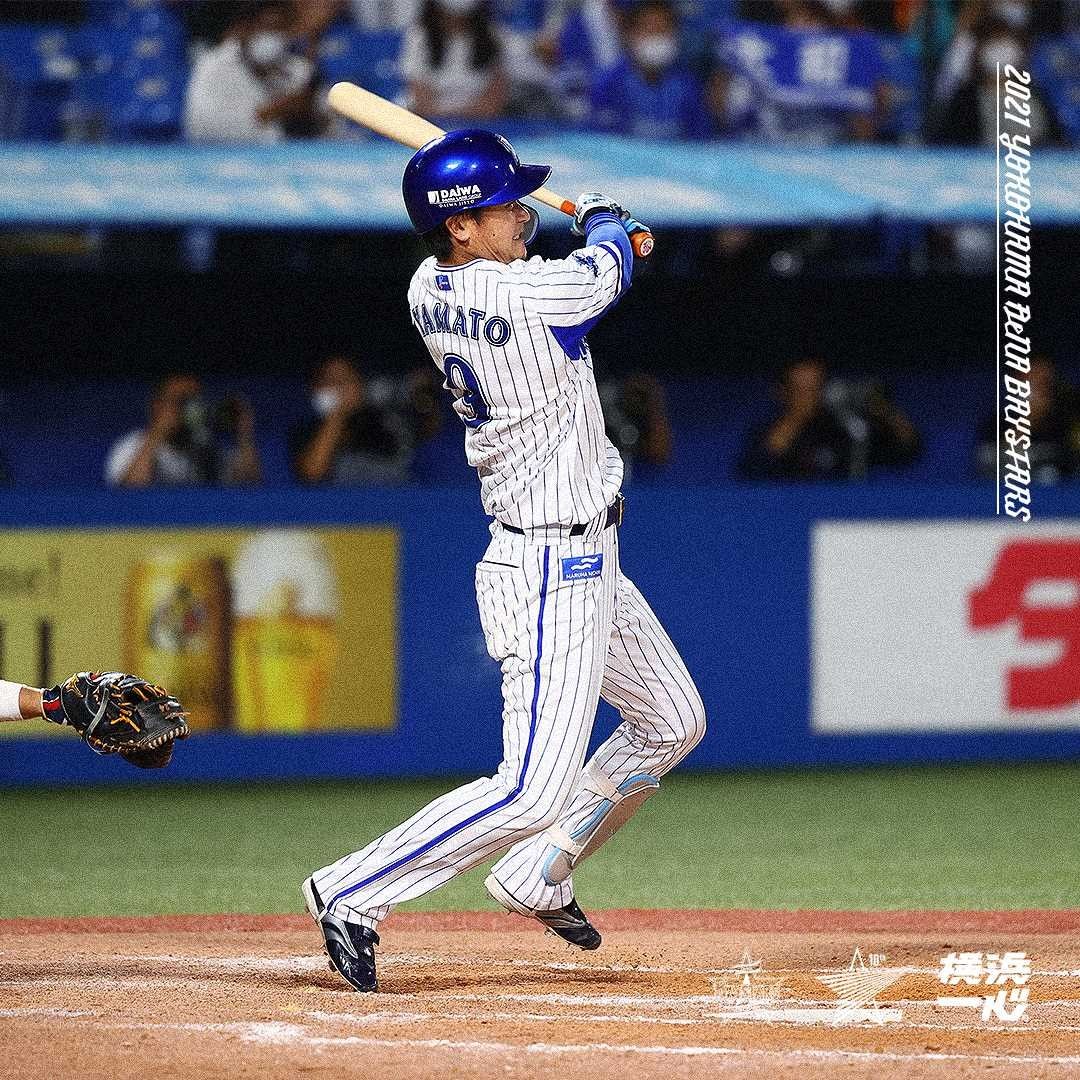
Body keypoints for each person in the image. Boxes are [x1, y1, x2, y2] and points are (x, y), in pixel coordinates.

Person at [301, 129, 706, 992]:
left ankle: (536, 872)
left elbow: (591, 267)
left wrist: (604, 233)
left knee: (671, 720)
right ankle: (349, 890)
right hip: (549, 564)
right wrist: (606, 220)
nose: (522, 214)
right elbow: (608, 268)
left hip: (587, 552)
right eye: (504, 205)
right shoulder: (527, 296)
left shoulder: (428, 285)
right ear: (458, 227)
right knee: (529, 789)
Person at [184, 0, 321, 144]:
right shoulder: (213, 65)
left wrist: (309, 115)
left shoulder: (300, 69)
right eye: (266, 27)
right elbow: (199, 126)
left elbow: (328, 125)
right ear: (245, 28)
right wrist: (268, 113)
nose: (272, 36)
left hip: (292, 155)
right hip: (225, 156)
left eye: (280, 28)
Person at [105, 375, 263, 488]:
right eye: (180, 402)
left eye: (195, 401)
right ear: (157, 406)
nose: (188, 409)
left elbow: (250, 487)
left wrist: (244, 435)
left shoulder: (208, 447)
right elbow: (130, 493)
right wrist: (158, 432)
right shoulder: (132, 445)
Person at [589, 0, 712, 139]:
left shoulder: (688, 86)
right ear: (630, 34)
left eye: (663, 30)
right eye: (649, 29)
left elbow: (700, 140)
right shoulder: (609, 84)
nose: (656, 37)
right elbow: (601, 141)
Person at [289, 356, 412, 484]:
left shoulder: (385, 420)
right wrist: (338, 413)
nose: (339, 387)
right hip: (339, 497)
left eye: (345, 379)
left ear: (360, 385)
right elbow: (311, 473)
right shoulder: (306, 430)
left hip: (395, 495)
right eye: (330, 379)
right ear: (315, 389)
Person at [738, 358, 853, 480]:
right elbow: (755, 473)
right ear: (783, 393)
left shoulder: (841, 429)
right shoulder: (765, 433)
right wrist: (795, 419)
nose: (809, 398)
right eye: (800, 391)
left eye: (815, 389)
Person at [401, 0, 510, 122]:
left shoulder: (494, 37)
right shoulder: (419, 36)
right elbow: (421, 101)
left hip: (480, 123)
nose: (454, 19)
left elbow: (493, 103)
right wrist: (446, 119)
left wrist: (463, 118)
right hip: (431, 122)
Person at [975, 356, 1080, 483]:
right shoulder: (997, 424)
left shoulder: (1065, 425)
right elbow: (987, 466)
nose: (1041, 390)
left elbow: (1070, 465)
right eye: (1034, 381)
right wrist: (1026, 422)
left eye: (1045, 383)